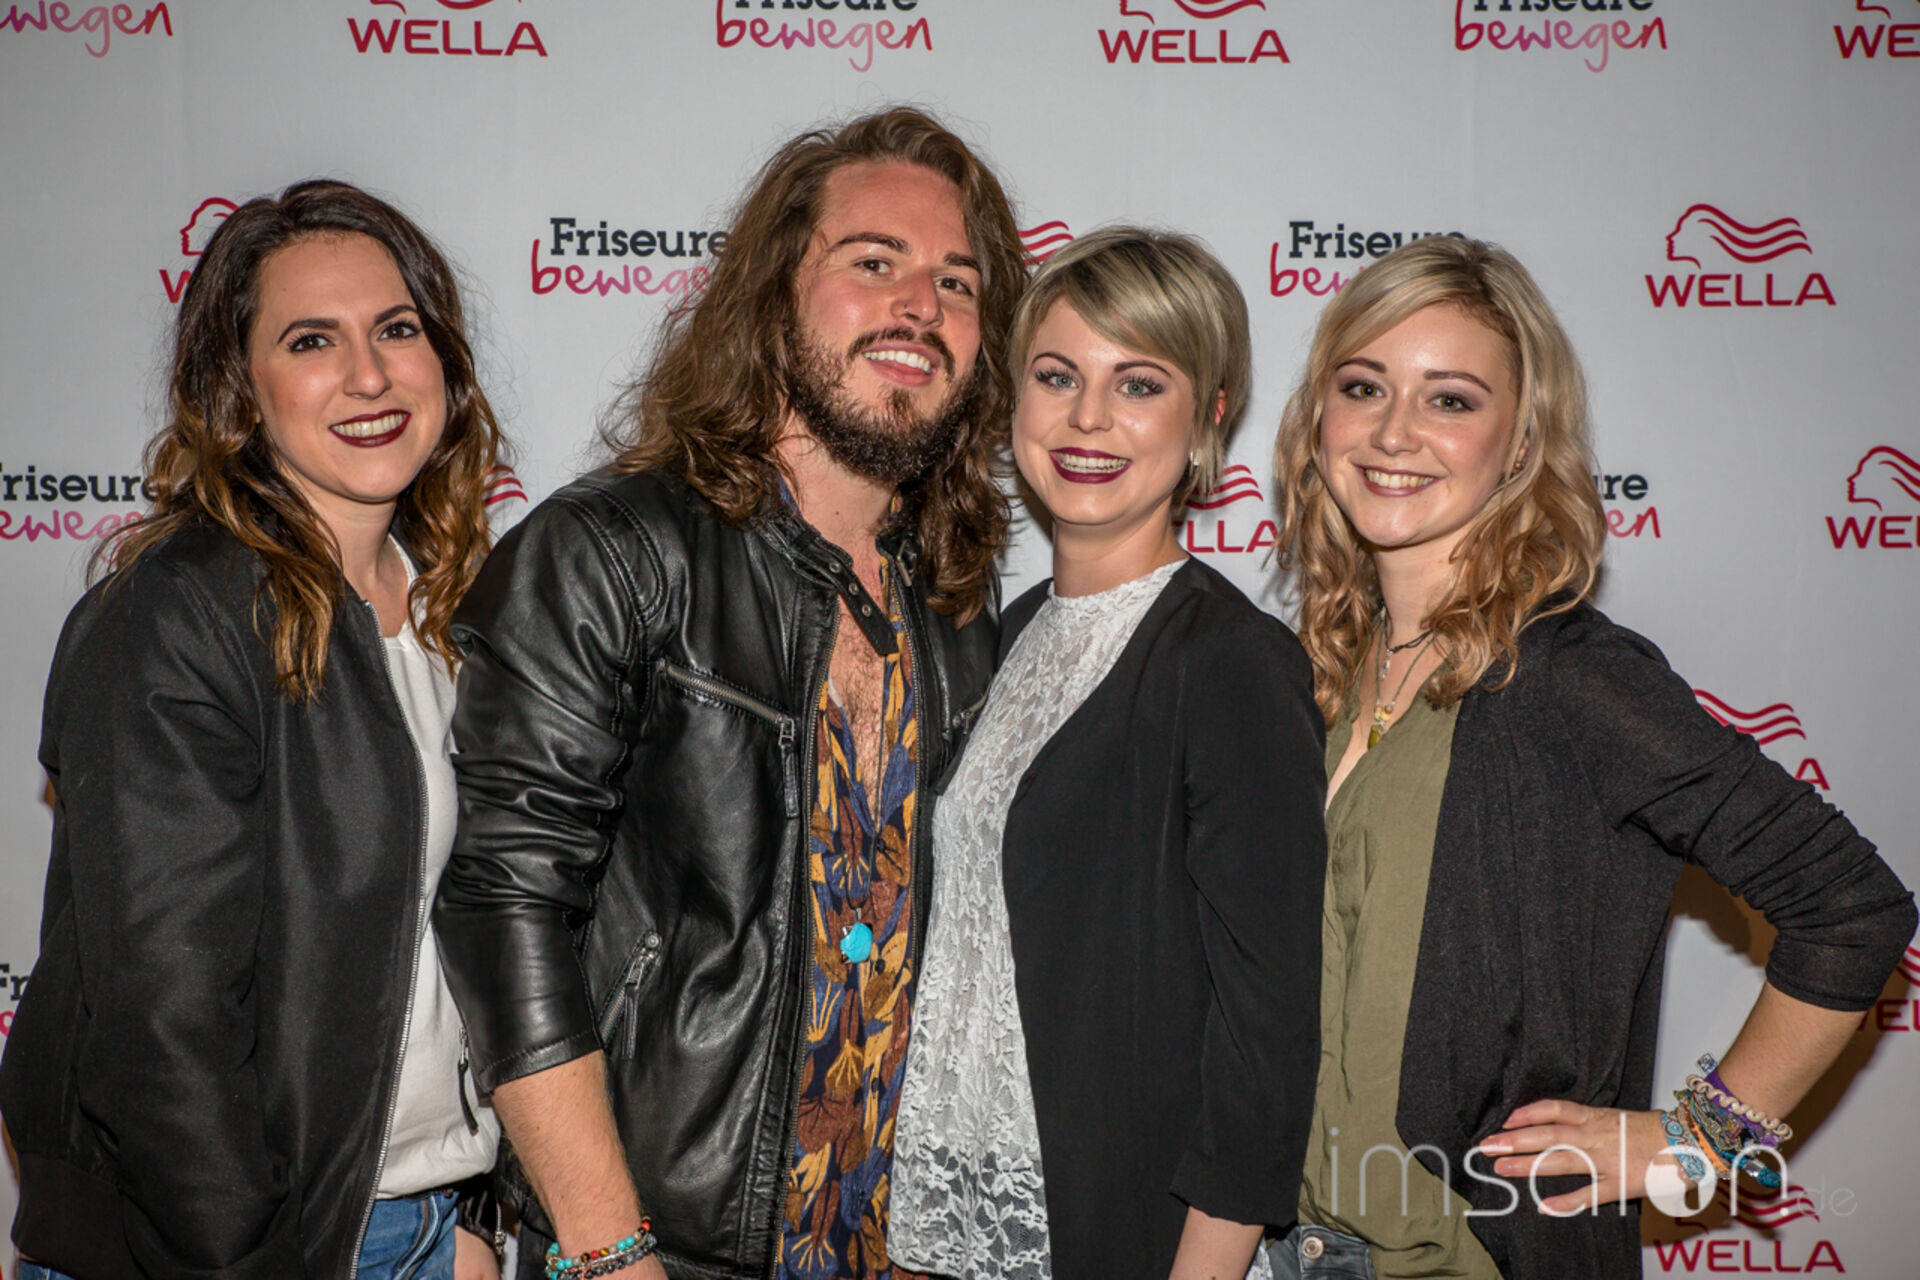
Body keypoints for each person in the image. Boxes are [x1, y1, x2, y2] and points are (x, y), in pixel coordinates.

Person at [432, 107, 1025, 1280]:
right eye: (875, 262)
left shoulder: (957, 601)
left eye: (957, 283)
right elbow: (505, 908)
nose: (921, 305)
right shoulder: (614, 552)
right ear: (772, 291)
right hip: (656, 1248)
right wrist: (612, 1251)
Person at [1267, 235, 1916, 1280]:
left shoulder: (1567, 677)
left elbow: (1853, 907)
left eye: (1449, 399)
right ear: (1319, 417)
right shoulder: (1324, 676)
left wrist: (1697, 1140)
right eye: (1363, 385)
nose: (1393, 431)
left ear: (1522, 442)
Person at [0, 179, 508, 1280]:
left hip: (416, 1228)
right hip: (233, 1254)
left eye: (397, 329)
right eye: (311, 340)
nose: (368, 374)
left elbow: (465, 950)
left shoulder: (459, 615)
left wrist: (469, 1217)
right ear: (240, 388)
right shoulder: (178, 617)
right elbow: (163, 1022)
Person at [889, 227, 1327, 1280]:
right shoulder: (1002, 632)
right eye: (1058, 376)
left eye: (1138, 383)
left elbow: (1268, 1028)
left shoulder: (1233, 661)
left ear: (1209, 414)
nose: (1088, 418)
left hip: (1126, 1235)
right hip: (951, 1215)